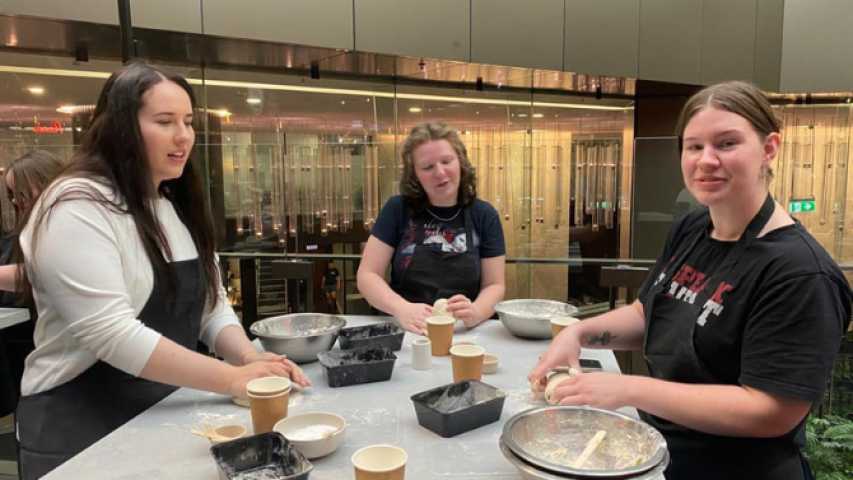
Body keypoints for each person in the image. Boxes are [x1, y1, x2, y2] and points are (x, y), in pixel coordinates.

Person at [529, 81, 851, 480]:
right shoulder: (693, 227)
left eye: (727, 143)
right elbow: (649, 312)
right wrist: (577, 333)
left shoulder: (800, 273)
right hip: (659, 453)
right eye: (694, 146)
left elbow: (772, 411)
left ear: (769, 148)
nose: (706, 160)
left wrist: (627, 389)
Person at [15, 62, 310, 480]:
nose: (183, 136)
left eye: (188, 122)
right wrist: (231, 379)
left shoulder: (171, 206)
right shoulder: (75, 205)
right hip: (78, 426)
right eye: (164, 121)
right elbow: (111, 334)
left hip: (159, 412)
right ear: (120, 128)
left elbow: (211, 306)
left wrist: (249, 358)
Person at [357, 122, 506, 334]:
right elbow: (367, 275)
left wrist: (476, 311)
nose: (440, 172)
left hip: (464, 333)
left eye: (447, 161)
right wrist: (402, 308)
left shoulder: (484, 215)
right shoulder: (397, 209)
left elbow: (495, 284)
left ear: (461, 162)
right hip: (408, 331)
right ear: (415, 174)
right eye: (427, 167)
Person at [0, 150, 64, 418]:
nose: (18, 201)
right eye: (13, 194)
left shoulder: (67, 230)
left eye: (23, 192)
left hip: (48, 352)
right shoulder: (20, 236)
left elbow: (45, 273)